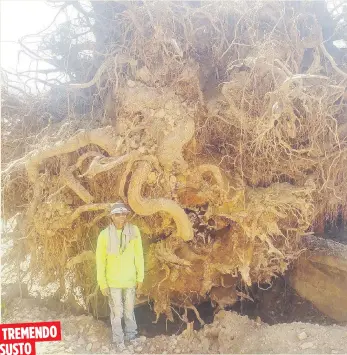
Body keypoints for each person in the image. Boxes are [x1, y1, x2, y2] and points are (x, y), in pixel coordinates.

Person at [96, 201, 144, 349]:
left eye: (124, 214)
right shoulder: (104, 235)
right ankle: (119, 340)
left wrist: (140, 277)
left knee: (129, 311)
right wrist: (102, 283)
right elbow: (100, 261)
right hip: (113, 282)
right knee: (117, 313)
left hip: (130, 280)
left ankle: (131, 336)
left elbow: (139, 255)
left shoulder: (134, 231)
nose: (121, 217)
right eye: (117, 214)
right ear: (112, 216)